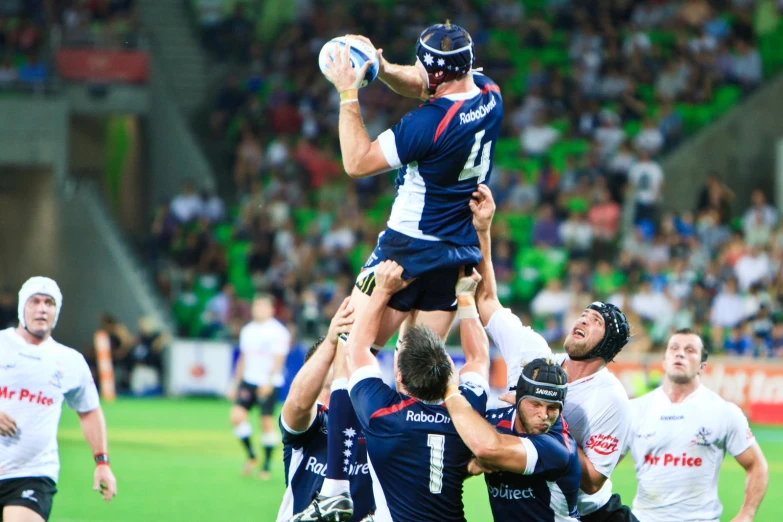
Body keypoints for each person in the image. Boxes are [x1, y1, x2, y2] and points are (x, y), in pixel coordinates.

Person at [321, 22, 504, 345]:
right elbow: (424, 85)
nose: (417, 68)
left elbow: (357, 163)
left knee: (349, 355)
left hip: (406, 248)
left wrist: (348, 93)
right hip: (456, 252)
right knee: (416, 376)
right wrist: (382, 67)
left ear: (435, 73)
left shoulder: (428, 122)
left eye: (420, 63)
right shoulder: (490, 92)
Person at [470, 184, 637, 522]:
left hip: (592, 514)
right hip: (529, 501)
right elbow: (486, 301)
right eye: (584, 314)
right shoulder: (533, 355)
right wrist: (484, 229)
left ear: (606, 347)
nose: (582, 319)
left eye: (595, 322)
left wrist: (539, 416)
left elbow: (591, 483)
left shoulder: (610, 399)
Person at [297, 261, 490, 521]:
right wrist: (466, 298)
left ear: (398, 377)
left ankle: (334, 489)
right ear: (449, 375)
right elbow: (478, 357)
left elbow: (355, 350)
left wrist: (383, 291)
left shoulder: (383, 415)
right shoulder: (468, 414)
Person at [0, 276, 117, 522]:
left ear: (57, 311)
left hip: (32, 473)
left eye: (50, 303)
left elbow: (90, 411)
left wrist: (102, 463)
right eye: (35, 301)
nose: (42, 308)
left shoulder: (70, 361)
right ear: (23, 307)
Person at [627, 328, 769, 522]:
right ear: (664, 361)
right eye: (674, 348)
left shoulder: (723, 412)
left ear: (702, 366)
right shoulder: (635, 410)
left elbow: (756, 465)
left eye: (690, 350)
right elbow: (600, 470)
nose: (680, 353)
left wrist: (747, 514)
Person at [443, 357, 581, 521]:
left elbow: (488, 448)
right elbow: (450, 467)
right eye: (535, 404)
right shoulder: (496, 422)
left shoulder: (557, 449)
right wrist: (469, 467)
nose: (544, 415)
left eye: (552, 407)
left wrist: (451, 391)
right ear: (519, 398)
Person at [277, 298, 375, 522]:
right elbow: (299, 404)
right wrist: (332, 341)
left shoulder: (375, 424)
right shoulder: (314, 424)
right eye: (327, 387)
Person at [227, 293, 291, 479]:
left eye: (262, 306)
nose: (258, 310)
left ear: (271, 309)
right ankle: (252, 455)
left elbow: (279, 359)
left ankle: (266, 466)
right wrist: (234, 383)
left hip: (267, 382)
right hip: (249, 380)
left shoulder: (278, 332)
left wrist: (269, 382)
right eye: (256, 306)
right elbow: (243, 358)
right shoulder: (248, 330)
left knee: (266, 423)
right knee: (237, 417)